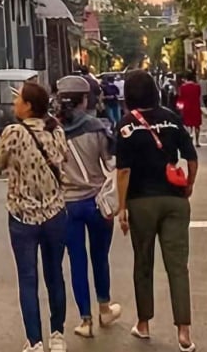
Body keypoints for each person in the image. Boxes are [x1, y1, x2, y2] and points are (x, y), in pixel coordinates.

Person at [116, 70, 198, 352]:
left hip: (141, 201)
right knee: (177, 266)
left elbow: (124, 170)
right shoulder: (173, 119)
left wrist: (122, 206)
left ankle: (144, 323)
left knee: (143, 263)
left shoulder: (126, 124)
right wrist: (189, 185)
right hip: (174, 199)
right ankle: (184, 332)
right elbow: (191, 156)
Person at [0, 81, 71, 352]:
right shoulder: (56, 131)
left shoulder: (12, 133)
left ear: (28, 106)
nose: (14, 103)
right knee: (55, 274)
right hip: (54, 213)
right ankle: (58, 335)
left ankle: (35, 341)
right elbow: (64, 159)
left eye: (18, 99)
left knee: (27, 278)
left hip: (21, 214)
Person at [55, 75, 122, 339]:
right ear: (85, 99)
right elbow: (110, 163)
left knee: (77, 261)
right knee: (100, 257)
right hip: (96, 201)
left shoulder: (53, 129)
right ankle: (105, 308)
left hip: (67, 204)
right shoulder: (97, 127)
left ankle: (85, 320)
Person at [176, 72, 203, 145]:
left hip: (186, 108)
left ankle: (189, 138)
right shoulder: (197, 86)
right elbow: (198, 95)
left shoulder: (183, 87)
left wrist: (179, 107)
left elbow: (180, 98)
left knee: (188, 124)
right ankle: (197, 141)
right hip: (196, 107)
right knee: (197, 125)